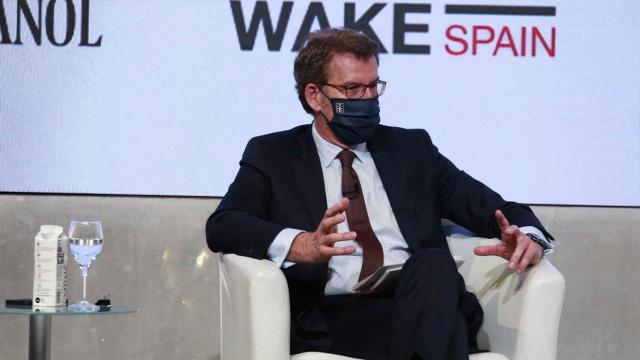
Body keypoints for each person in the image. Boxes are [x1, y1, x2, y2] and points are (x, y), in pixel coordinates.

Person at [206, 28, 554, 360]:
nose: (368, 99)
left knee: (433, 262)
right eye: (353, 89)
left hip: (421, 297)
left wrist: (528, 235)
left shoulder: (411, 150)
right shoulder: (273, 155)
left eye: (374, 87)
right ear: (314, 96)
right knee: (440, 332)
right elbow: (224, 225)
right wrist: (301, 245)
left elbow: (496, 208)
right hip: (337, 314)